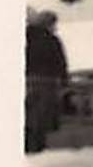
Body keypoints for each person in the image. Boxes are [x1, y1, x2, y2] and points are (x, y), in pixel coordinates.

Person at [25, 11, 68, 153]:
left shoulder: (25, 38)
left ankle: (25, 146)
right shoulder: (52, 40)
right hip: (46, 84)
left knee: (26, 116)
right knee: (41, 120)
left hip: (26, 82)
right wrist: (64, 82)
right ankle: (37, 149)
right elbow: (60, 63)